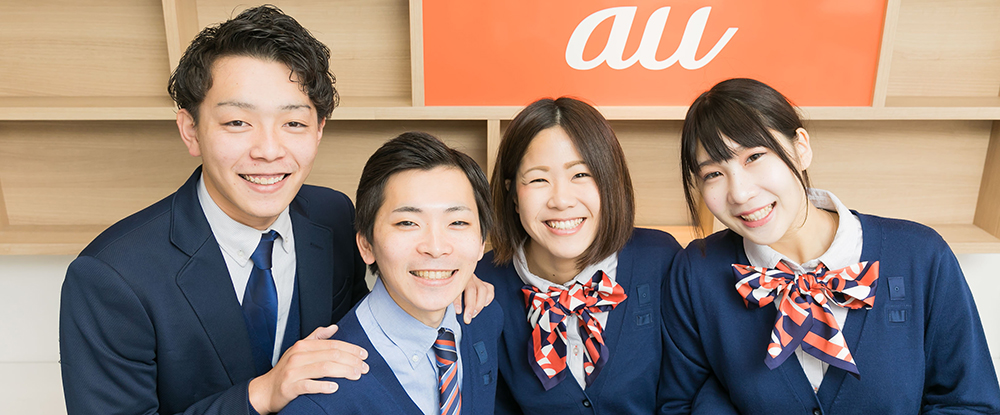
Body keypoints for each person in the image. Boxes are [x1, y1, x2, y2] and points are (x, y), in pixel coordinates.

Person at [59, 6, 492, 415]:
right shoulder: (110, 278)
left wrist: (444, 273)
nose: (268, 150)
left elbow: (368, 320)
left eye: (293, 123)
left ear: (318, 131)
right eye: (237, 122)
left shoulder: (331, 215)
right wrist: (260, 393)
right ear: (191, 130)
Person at [662, 78, 1000, 414]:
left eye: (754, 157)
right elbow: (681, 404)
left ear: (801, 148)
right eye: (713, 174)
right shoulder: (696, 272)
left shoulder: (920, 256)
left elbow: (971, 404)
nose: (739, 193)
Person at [475, 97, 682, 413]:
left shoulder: (661, 261)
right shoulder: (481, 287)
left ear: (610, 182)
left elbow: (689, 392)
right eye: (539, 179)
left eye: (581, 175)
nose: (561, 200)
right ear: (513, 194)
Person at [280, 132, 503, 415]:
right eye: (408, 222)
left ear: (482, 241)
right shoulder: (322, 396)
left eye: (458, 222)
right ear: (366, 245)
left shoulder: (484, 318)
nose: (436, 248)